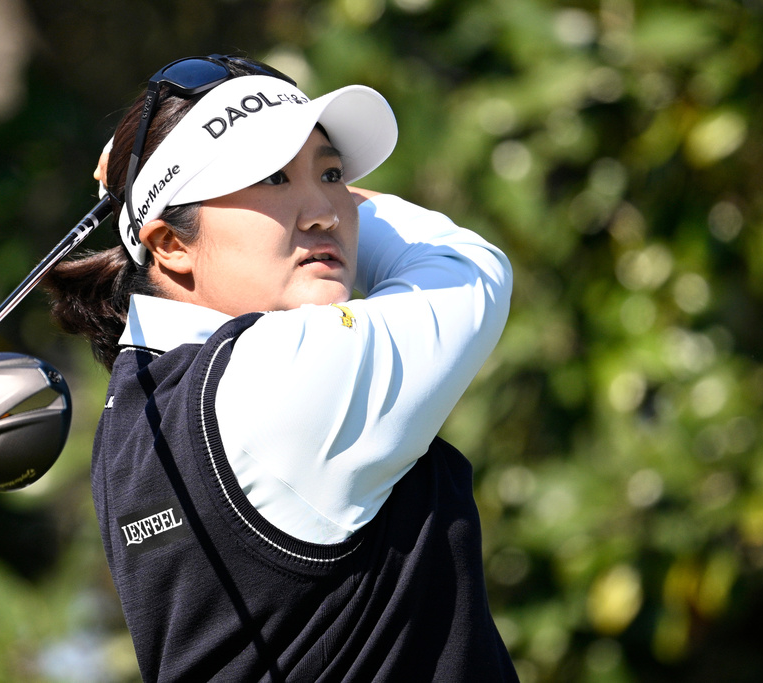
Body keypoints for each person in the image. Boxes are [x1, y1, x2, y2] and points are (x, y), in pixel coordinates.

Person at [45, 54, 517, 681]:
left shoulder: (138, 410)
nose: (325, 207)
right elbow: (467, 268)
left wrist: (153, 197)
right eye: (270, 178)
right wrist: (331, 214)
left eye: (332, 172)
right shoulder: (277, 379)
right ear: (171, 246)